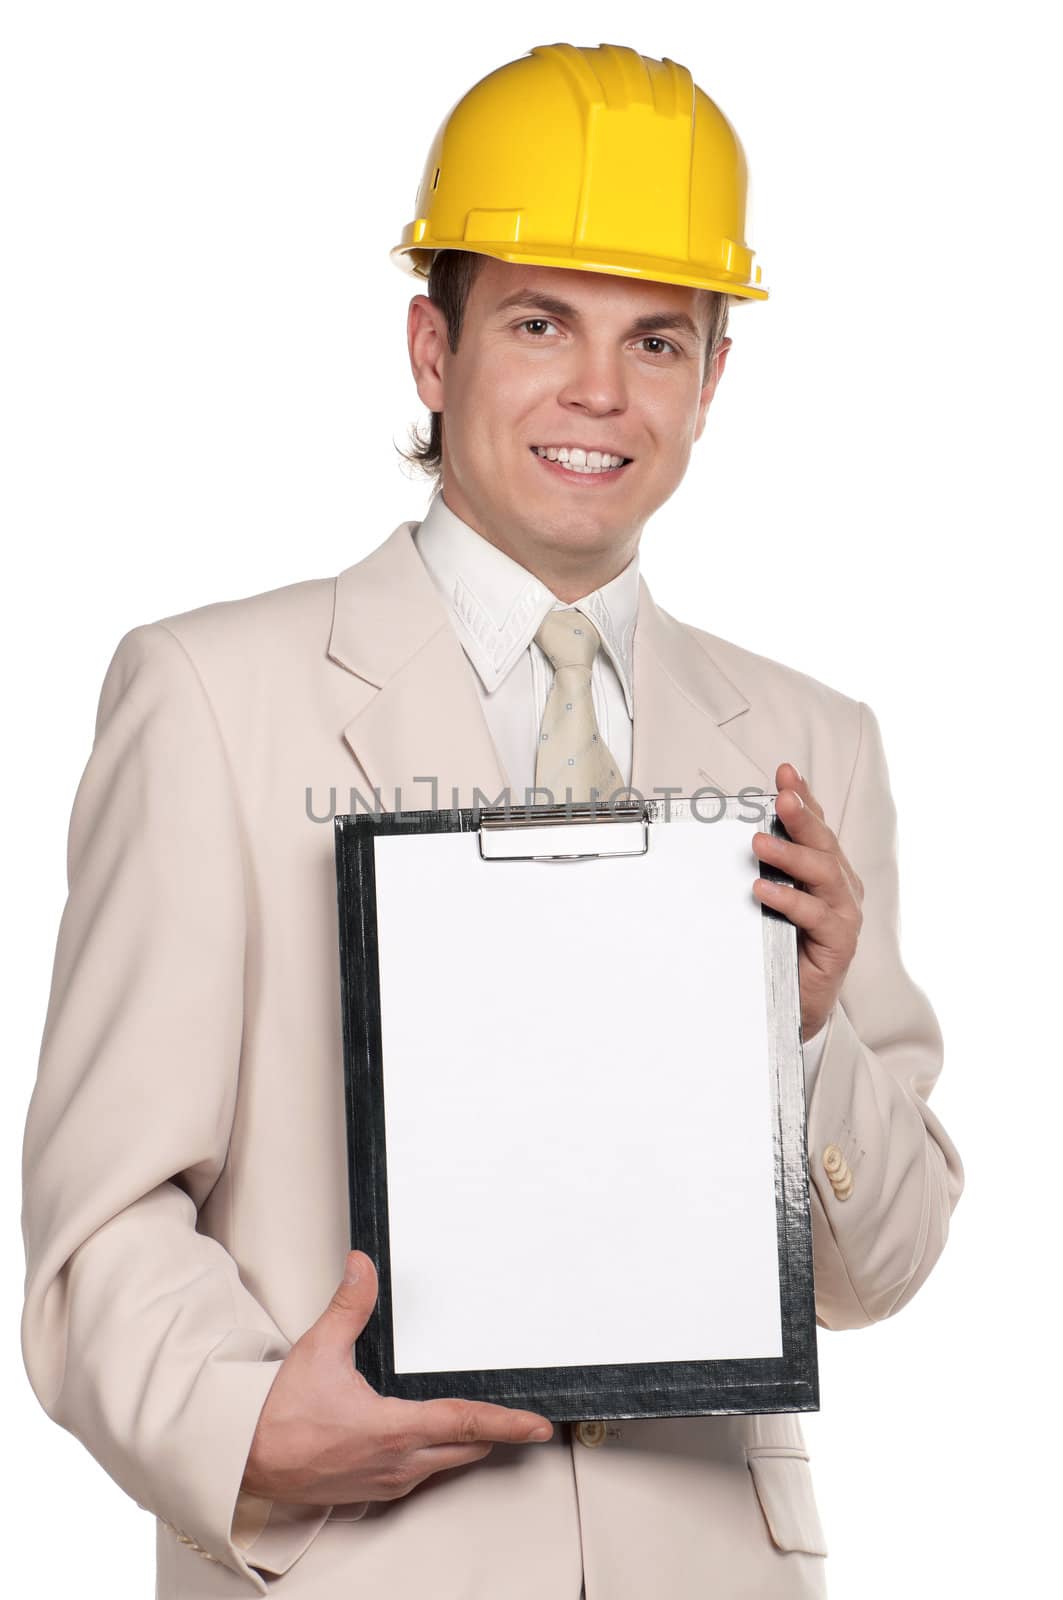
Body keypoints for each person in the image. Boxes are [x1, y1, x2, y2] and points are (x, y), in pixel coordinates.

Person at [20, 41, 964, 1600]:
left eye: (657, 340)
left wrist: (802, 1042)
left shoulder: (812, 746)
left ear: (713, 381)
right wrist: (249, 1423)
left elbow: (888, 1265)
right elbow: (101, 1212)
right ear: (431, 346)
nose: (601, 393)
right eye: (540, 323)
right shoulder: (210, 698)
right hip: (358, 1566)